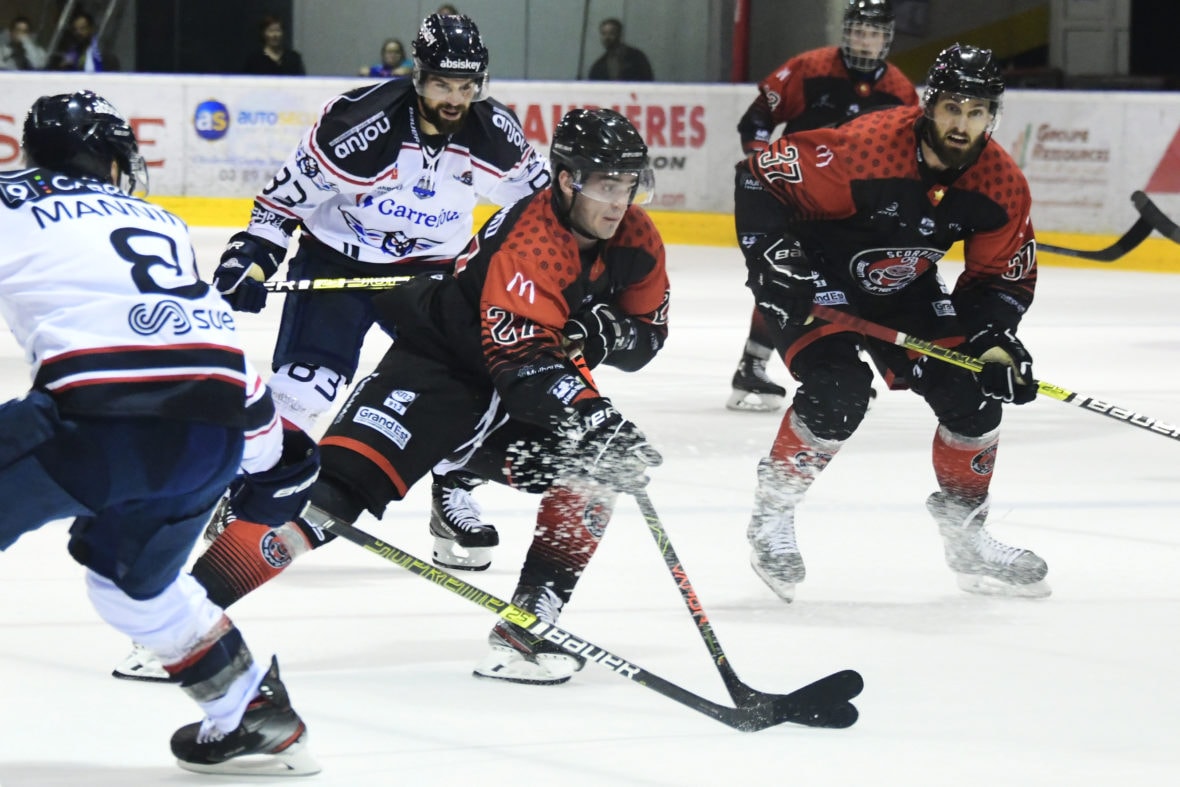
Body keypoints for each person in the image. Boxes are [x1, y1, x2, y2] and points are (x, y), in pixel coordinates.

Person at [198, 107, 667, 688]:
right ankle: (183, 627)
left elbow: (647, 338)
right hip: (437, 375)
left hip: (508, 399)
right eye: (605, 185)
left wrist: (608, 334)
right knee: (325, 502)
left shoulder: (638, 237)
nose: (620, 202)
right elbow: (520, 365)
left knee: (596, 469)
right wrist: (591, 412)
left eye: (628, 184)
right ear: (567, 179)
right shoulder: (534, 240)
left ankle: (524, 630)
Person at [0, 90, 320, 775]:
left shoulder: (8, 195)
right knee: (132, 585)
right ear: (113, 164)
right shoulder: (162, 220)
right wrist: (273, 453)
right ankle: (249, 711)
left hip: (95, 421)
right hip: (211, 433)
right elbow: (204, 341)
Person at [210, 12, 550, 579]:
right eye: (444, 84)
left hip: (431, 272)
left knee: (472, 385)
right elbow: (280, 203)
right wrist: (252, 255)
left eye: (467, 87)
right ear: (419, 76)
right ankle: (249, 497)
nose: (455, 99)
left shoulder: (493, 134)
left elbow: (538, 212)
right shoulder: (358, 126)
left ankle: (452, 493)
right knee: (303, 391)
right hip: (338, 260)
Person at [739, 43, 1050, 602]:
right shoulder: (864, 149)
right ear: (931, 104)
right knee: (839, 393)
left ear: (992, 117)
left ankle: (966, 536)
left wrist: (993, 342)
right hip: (817, 278)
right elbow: (760, 177)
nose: (963, 124)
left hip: (901, 284)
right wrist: (775, 261)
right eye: (953, 107)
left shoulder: (1000, 184)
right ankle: (773, 513)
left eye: (978, 112)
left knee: (974, 396)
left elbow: (1000, 279)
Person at [727, 0, 918, 411]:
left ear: (887, 39)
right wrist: (766, 168)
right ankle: (753, 365)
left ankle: (837, 365)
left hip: (855, 210)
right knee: (786, 277)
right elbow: (756, 121)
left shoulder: (900, 90)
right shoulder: (809, 68)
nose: (865, 41)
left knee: (849, 284)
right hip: (797, 197)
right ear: (846, 31)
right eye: (859, 31)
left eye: (874, 33)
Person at [48, 9, 117, 71]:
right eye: (75, 30)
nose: (78, 33)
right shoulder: (73, 51)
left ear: (91, 29)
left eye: (82, 29)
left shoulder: (102, 51)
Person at [586, 18, 653, 82]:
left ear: (619, 34)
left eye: (611, 33)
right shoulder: (599, 66)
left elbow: (647, 82)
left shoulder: (636, 58)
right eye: (604, 34)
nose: (607, 38)